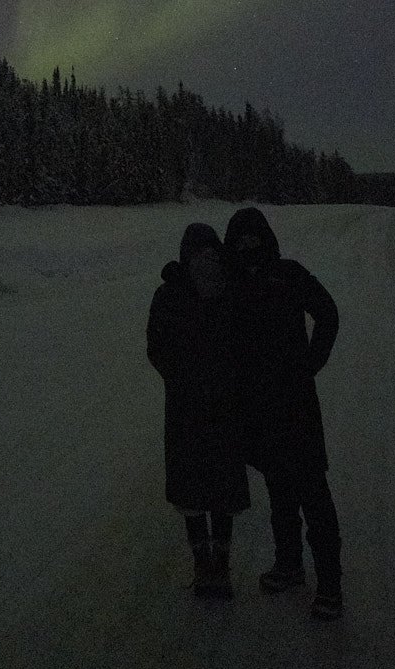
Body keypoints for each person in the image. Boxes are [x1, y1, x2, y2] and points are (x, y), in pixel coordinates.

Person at [223, 205, 344, 620]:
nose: (247, 245)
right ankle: (289, 564)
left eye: (253, 237)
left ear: (266, 238)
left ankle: (330, 583)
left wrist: (310, 364)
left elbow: (327, 314)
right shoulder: (232, 284)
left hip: (296, 406)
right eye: (239, 240)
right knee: (279, 491)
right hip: (257, 411)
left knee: (313, 491)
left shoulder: (289, 274)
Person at [146, 221, 250, 598]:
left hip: (186, 404)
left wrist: (181, 379)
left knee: (191, 485)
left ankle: (202, 563)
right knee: (223, 482)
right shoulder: (232, 287)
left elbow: (156, 347)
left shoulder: (169, 293)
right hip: (225, 401)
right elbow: (245, 341)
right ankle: (220, 565)